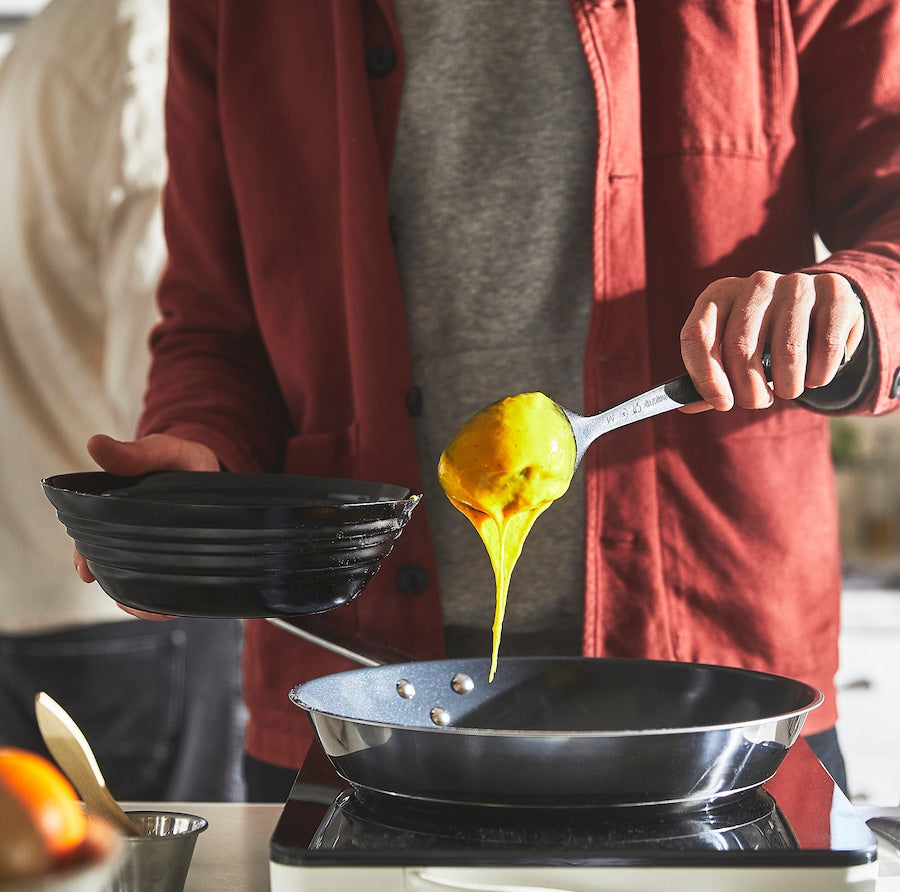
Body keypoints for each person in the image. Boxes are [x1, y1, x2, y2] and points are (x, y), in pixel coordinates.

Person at [77, 1, 900, 801]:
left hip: (719, 694)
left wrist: (853, 305)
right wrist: (200, 458)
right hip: (357, 705)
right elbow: (215, 330)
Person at [0, 0, 246, 801]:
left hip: (27, 589)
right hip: (120, 607)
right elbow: (162, 386)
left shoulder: (44, 42)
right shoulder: (147, 45)